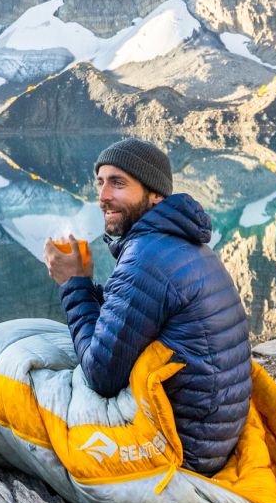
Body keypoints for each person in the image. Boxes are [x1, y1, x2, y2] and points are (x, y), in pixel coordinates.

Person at [43, 138, 252, 476]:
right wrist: (87, 285)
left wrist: (73, 283)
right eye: (101, 182)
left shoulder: (147, 257)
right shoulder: (177, 242)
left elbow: (101, 375)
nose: (104, 196)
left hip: (182, 451)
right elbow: (126, 325)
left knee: (31, 381)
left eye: (118, 183)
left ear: (155, 194)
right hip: (213, 436)